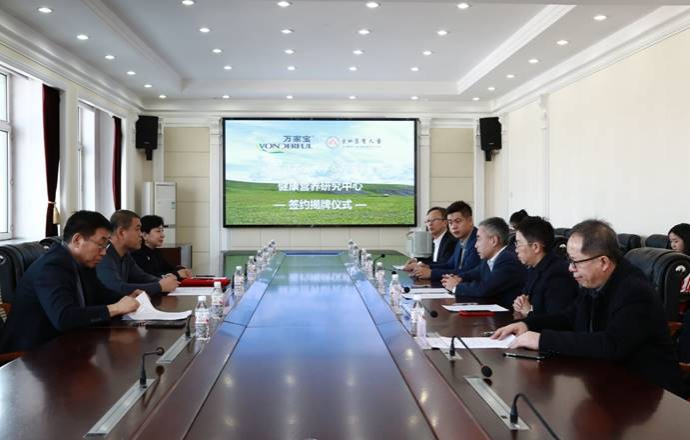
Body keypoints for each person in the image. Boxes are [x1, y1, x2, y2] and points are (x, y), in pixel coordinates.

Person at [493, 219, 686, 397]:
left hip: (647, 390)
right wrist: (528, 324)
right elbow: (568, 318)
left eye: (576, 262)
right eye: (569, 260)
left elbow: (611, 344)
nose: (570, 268)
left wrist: (543, 340)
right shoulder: (594, 281)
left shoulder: (634, 291)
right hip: (605, 378)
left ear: (603, 262)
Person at [0, 211, 140, 352]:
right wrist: (116, 308)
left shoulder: (83, 262)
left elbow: (100, 293)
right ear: (77, 240)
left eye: (106, 245)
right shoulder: (51, 267)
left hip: (65, 344)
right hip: (29, 355)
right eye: (101, 244)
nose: (104, 252)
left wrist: (127, 297)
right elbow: (64, 318)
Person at [444, 217, 527, 309]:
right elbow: (474, 273)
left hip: (508, 314)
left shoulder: (508, 259)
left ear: (494, 241)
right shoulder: (488, 259)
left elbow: (485, 289)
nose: (475, 245)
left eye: (478, 239)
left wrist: (456, 287)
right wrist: (458, 278)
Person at [97, 210, 179, 296]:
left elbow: (141, 277)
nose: (141, 234)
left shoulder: (126, 254)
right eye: (137, 229)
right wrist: (159, 286)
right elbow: (117, 288)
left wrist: (163, 281)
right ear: (121, 232)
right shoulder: (104, 255)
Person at [512, 217, 578, 317]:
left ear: (535, 247)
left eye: (519, 243)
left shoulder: (558, 275)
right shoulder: (534, 268)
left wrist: (529, 312)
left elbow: (557, 319)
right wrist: (519, 302)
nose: (516, 250)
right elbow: (525, 298)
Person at [412, 201, 480, 281]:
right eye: (450, 223)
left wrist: (432, 273)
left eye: (458, 221)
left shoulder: (478, 241)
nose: (453, 226)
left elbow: (467, 272)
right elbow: (450, 265)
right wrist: (428, 266)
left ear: (470, 221)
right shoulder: (460, 240)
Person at [132, 215, 193, 280]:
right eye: (158, 231)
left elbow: (168, 269)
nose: (163, 235)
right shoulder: (137, 253)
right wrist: (177, 274)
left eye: (162, 231)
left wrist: (182, 269)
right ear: (144, 235)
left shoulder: (156, 252)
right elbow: (148, 277)